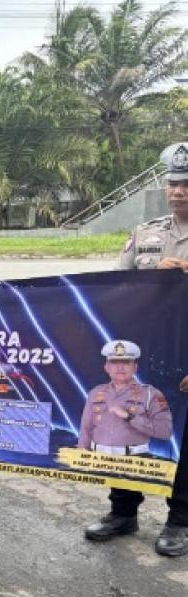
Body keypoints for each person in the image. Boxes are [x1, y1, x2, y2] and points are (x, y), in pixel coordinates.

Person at [88, 144, 188, 556]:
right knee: (125, 432)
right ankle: (122, 512)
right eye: (173, 183)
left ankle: (180, 521)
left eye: (186, 184)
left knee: (183, 442)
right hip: (143, 357)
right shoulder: (146, 234)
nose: (178, 191)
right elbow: (115, 289)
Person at [77, 340, 172, 458]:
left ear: (135, 367)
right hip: (97, 460)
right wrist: (80, 458)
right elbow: (85, 430)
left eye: (126, 362)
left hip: (134, 461)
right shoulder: (95, 392)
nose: (120, 367)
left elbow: (165, 431)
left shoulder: (151, 394)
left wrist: (129, 417)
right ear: (106, 367)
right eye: (114, 362)